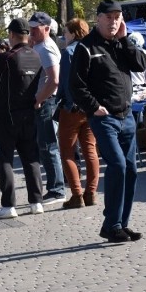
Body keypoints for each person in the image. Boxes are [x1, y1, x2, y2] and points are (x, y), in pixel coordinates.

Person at [70, 0, 146, 243]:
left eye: (118, 17)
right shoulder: (86, 47)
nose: (114, 21)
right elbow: (76, 86)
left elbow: (139, 64)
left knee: (131, 170)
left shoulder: (120, 44)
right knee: (118, 166)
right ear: (98, 18)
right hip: (105, 119)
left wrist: (125, 39)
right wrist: (94, 107)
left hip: (126, 116)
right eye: (109, 17)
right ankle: (111, 224)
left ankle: (121, 224)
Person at [0, 18, 45, 219]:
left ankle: (9, 205)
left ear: (13, 35)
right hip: (29, 114)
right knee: (31, 159)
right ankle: (36, 202)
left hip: (7, 117)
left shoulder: (8, 57)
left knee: (4, 160)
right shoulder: (36, 56)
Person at [57, 18, 100, 209]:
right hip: (91, 107)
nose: (64, 36)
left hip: (73, 108)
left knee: (67, 151)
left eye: (66, 32)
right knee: (90, 151)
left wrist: (67, 103)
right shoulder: (93, 48)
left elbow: (67, 81)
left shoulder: (69, 52)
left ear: (73, 33)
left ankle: (76, 194)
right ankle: (91, 192)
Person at [28, 11, 66, 204]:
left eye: (35, 28)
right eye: (30, 28)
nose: (31, 31)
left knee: (48, 146)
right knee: (45, 146)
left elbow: (55, 80)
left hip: (47, 102)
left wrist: (38, 99)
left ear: (47, 28)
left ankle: (57, 189)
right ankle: (56, 187)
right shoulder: (40, 46)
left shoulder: (47, 48)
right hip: (45, 101)